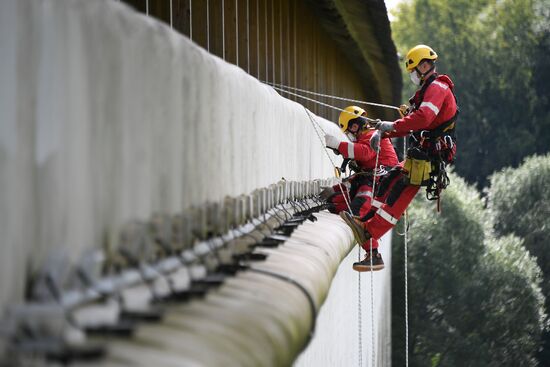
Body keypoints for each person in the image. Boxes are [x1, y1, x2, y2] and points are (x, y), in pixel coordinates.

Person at [340, 44, 459, 272]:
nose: (413, 75)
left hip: (429, 155)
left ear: (424, 65)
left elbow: (423, 118)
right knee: (388, 181)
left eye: (413, 69)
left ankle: (369, 232)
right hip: (422, 154)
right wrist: (388, 130)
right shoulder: (429, 89)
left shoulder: (438, 88)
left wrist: (389, 128)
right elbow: (415, 122)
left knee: (397, 195)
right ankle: (365, 224)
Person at [322, 106, 398, 269]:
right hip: (375, 180)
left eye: (348, 131)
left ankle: (373, 253)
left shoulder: (372, 136)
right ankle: (341, 206)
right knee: (336, 202)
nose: (349, 136)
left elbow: (364, 153)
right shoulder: (370, 136)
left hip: (379, 184)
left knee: (359, 214)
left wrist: (338, 144)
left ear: (354, 126)